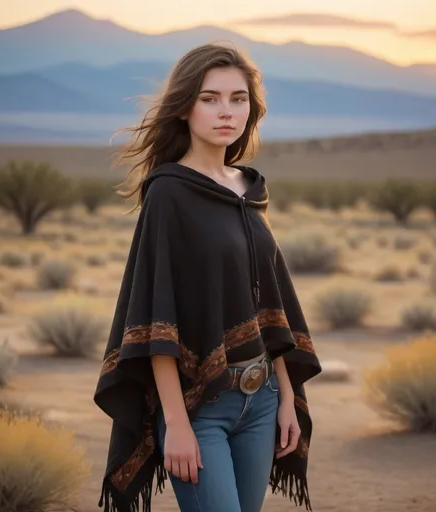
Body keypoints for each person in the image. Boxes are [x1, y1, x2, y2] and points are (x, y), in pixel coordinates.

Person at [94, 43, 322, 512]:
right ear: (185, 107)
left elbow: (269, 310)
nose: (227, 111)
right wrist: (175, 424)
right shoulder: (169, 194)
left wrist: (285, 399)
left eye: (239, 99)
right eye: (210, 98)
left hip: (262, 402)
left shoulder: (249, 190)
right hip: (201, 406)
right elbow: (156, 319)